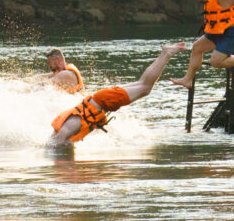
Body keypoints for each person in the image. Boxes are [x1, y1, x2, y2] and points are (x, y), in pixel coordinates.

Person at [48, 43, 186, 147]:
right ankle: (165, 54)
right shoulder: (65, 128)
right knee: (143, 85)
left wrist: (47, 150)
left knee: (145, 87)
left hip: (105, 100)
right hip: (102, 98)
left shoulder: (65, 130)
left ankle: (166, 54)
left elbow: (58, 142)